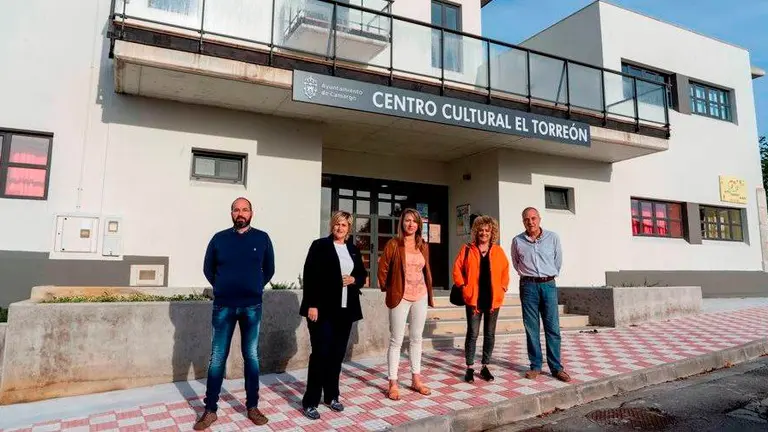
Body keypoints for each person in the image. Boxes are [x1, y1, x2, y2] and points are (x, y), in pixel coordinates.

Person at [194, 197, 275, 430]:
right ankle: (210, 410)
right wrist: (221, 286)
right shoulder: (219, 239)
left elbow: (269, 269)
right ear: (231, 213)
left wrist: (255, 286)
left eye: (245, 210)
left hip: (252, 306)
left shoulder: (262, 238)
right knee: (217, 357)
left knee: (251, 356)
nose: (241, 213)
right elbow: (208, 268)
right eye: (236, 210)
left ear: (252, 213)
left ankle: (252, 407)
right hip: (223, 306)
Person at [299, 211, 368, 420]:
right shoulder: (319, 246)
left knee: (337, 356)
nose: (340, 228)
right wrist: (312, 305)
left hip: (345, 311)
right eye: (337, 224)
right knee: (320, 354)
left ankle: (331, 396)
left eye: (344, 225)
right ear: (332, 226)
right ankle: (310, 401)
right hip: (322, 310)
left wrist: (354, 279)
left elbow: (362, 275)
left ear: (349, 228)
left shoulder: (353, 249)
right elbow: (310, 276)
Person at [377, 208, 434, 400]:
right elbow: (382, 269)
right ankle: (392, 382)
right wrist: (390, 289)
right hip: (400, 296)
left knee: (417, 338)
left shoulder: (423, 245)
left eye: (414, 221)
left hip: (420, 295)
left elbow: (426, 270)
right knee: (396, 340)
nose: (411, 224)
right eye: (407, 220)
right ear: (402, 223)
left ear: (419, 224)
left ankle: (415, 379)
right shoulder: (394, 244)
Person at [510, 207, 570, 382]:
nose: (531, 222)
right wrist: (529, 276)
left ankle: (556, 368)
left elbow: (557, 261)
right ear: (523, 222)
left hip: (548, 285)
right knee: (531, 328)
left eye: (533, 218)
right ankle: (535, 365)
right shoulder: (517, 241)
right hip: (528, 286)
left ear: (539, 219)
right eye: (527, 219)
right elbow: (516, 262)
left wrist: (547, 275)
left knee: (552, 327)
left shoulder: (553, 238)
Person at [452, 215, 509, 383]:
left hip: (493, 300)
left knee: (490, 334)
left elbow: (505, 271)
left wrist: (503, 288)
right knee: (473, 334)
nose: (484, 233)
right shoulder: (467, 249)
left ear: (492, 233)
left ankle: (485, 366)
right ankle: (469, 367)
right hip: (473, 300)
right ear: (476, 232)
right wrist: (463, 287)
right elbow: (457, 269)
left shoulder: (498, 251)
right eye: (481, 230)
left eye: (487, 231)